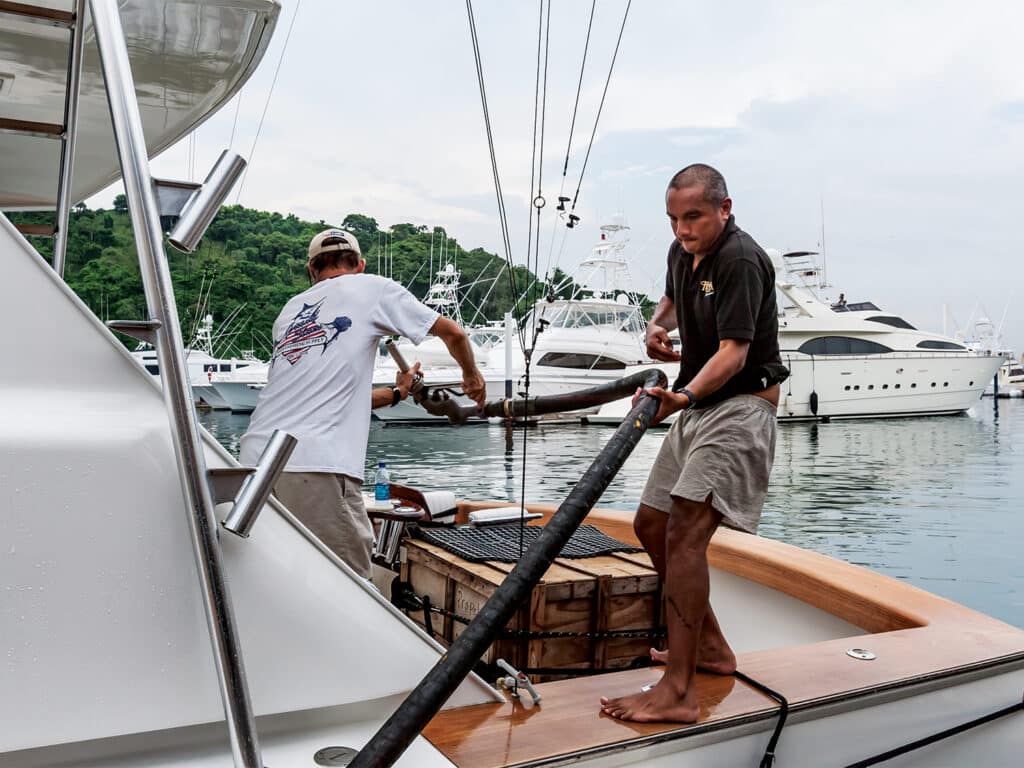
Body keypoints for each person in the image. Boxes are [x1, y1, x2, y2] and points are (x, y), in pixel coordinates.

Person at [600, 164, 787, 723]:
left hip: (741, 406)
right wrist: (658, 326)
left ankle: (678, 690)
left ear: (724, 209)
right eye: (674, 219)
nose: (683, 230)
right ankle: (709, 648)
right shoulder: (683, 253)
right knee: (651, 525)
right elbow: (672, 301)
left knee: (684, 532)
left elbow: (733, 352)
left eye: (694, 217)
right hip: (699, 404)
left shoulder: (740, 258)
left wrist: (681, 395)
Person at [239, 229, 486, 579]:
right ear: (360, 265)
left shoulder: (290, 312)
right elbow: (454, 333)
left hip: (254, 463)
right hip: (316, 464)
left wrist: (399, 393)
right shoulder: (373, 288)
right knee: (351, 585)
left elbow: (328, 398)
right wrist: (472, 377)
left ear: (312, 269)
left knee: (280, 578)